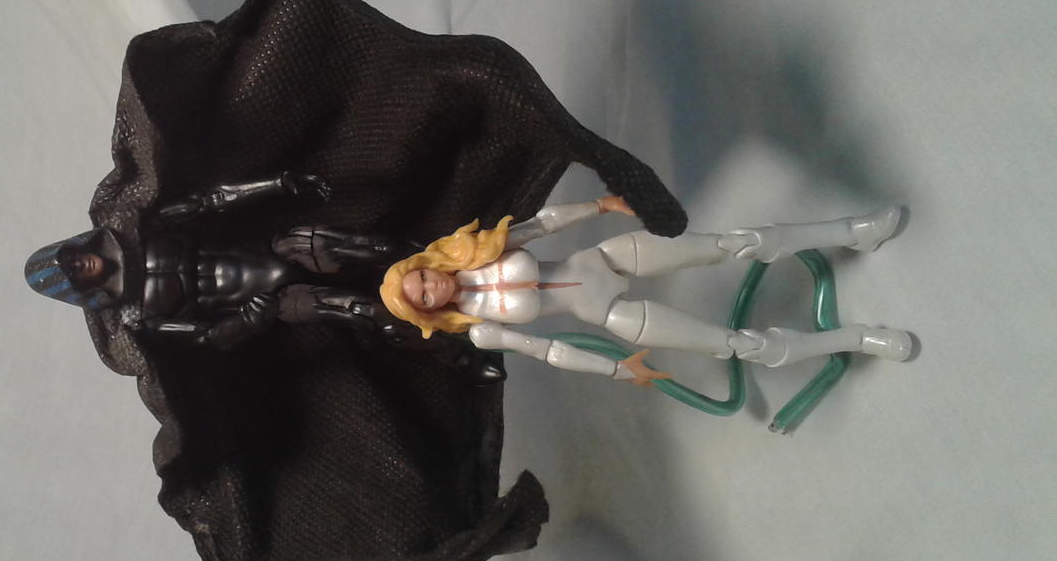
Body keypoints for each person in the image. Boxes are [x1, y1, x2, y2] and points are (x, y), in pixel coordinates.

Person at [380, 199, 912, 384]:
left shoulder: (482, 250)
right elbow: (547, 350)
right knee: (734, 345)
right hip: (609, 313)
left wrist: (599, 206)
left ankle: (854, 231)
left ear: (425, 262)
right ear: (429, 312)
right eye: (422, 297)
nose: (429, 287)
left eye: (420, 277)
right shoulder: (480, 331)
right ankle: (857, 339)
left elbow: (543, 223)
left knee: (735, 242)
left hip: (608, 256)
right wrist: (617, 369)